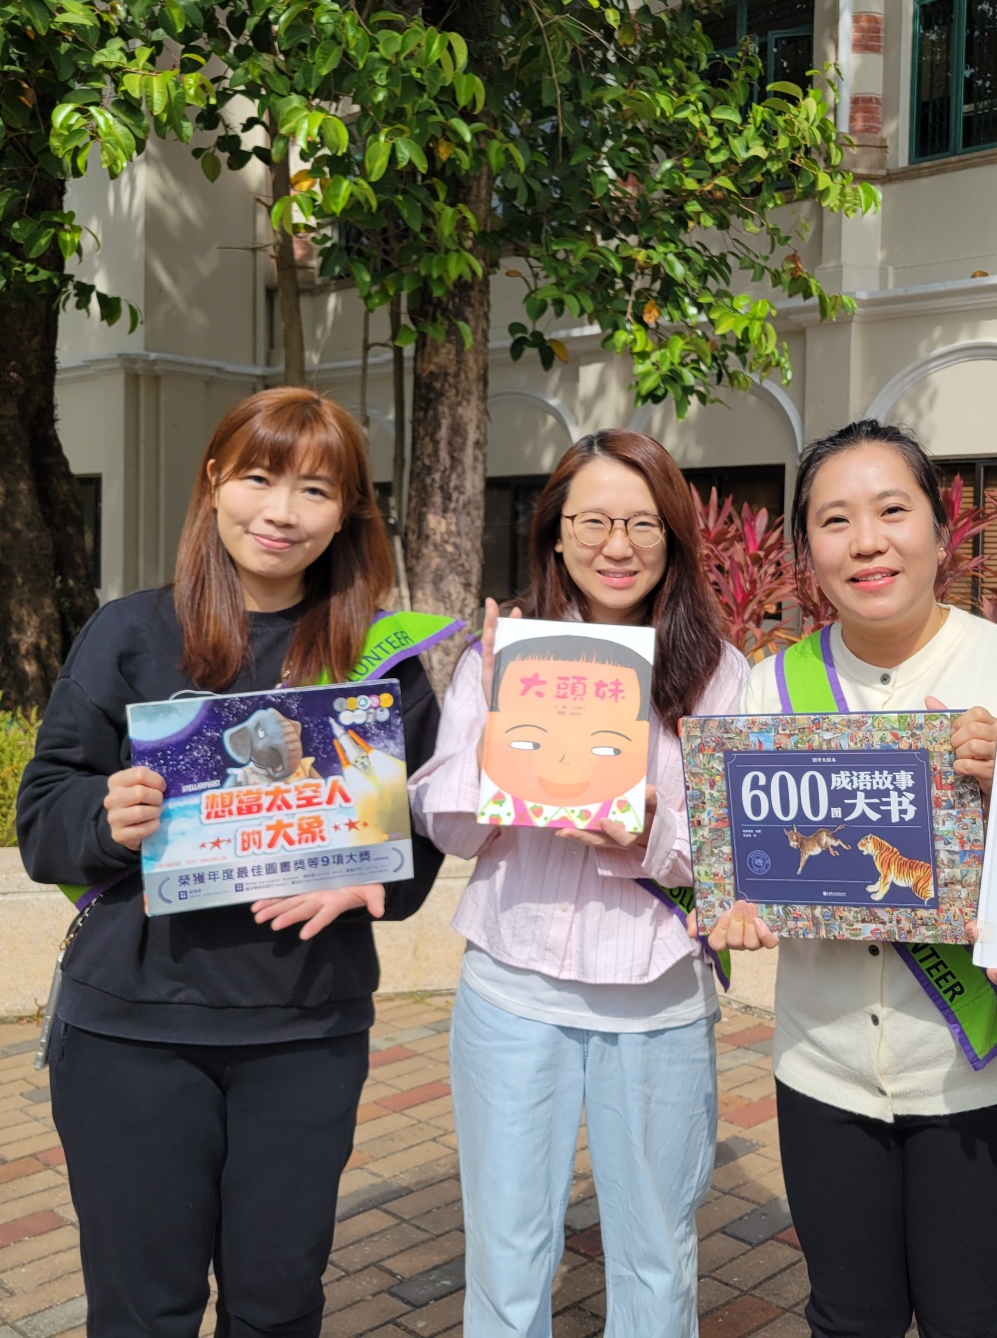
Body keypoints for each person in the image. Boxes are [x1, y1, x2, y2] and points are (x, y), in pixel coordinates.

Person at [17, 388, 454, 1338]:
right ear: (215, 481)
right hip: (133, 1032)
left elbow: (422, 836)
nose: (281, 512)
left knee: (277, 1303)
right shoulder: (130, 632)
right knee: (143, 1309)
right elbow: (42, 819)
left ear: (348, 511)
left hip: (306, 1031)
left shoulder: (380, 662)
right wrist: (105, 814)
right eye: (259, 478)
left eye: (315, 490)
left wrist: (379, 880)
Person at [707, 419, 997, 1338]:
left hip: (985, 1069)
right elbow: (745, 862)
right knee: (848, 1318)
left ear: (942, 531)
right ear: (806, 551)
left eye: (893, 511)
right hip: (823, 1072)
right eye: (835, 520)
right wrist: (736, 904)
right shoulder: (769, 690)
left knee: (973, 1321)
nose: (867, 542)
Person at [409, 430, 748, 1338]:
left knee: (656, 1255)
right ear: (555, 533)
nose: (617, 545)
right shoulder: (499, 655)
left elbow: (731, 851)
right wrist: (501, 724)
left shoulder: (719, 671)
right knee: (508, 1254)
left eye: (643, 523)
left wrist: (651, 832)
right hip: (513, 990)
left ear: (673, 537)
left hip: (656, 1000)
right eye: (593, 520)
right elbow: (446, 822)